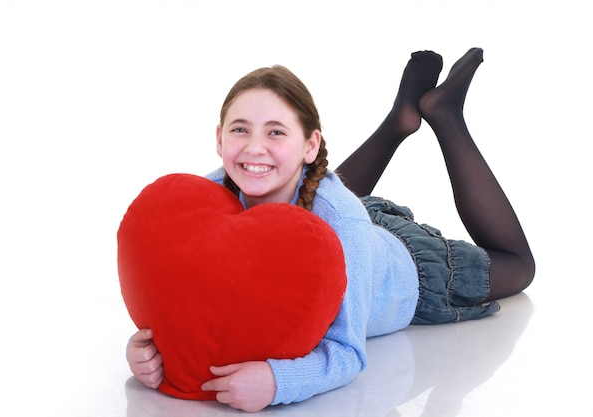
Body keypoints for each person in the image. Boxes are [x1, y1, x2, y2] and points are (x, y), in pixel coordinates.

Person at [125, 47, 535, 413]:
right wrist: (146, 349)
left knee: (519, 267)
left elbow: (348, 353)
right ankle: (399, 121)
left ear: (310, 145)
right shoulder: (207, 197)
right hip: (342, 223)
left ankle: (445, 116)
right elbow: (176, 287)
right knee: (315, 195)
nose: (253, 147)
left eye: (275, 132)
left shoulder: (342, 222)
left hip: (412, 273)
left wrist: (278, 382)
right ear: (219, 138)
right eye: (239, 129)